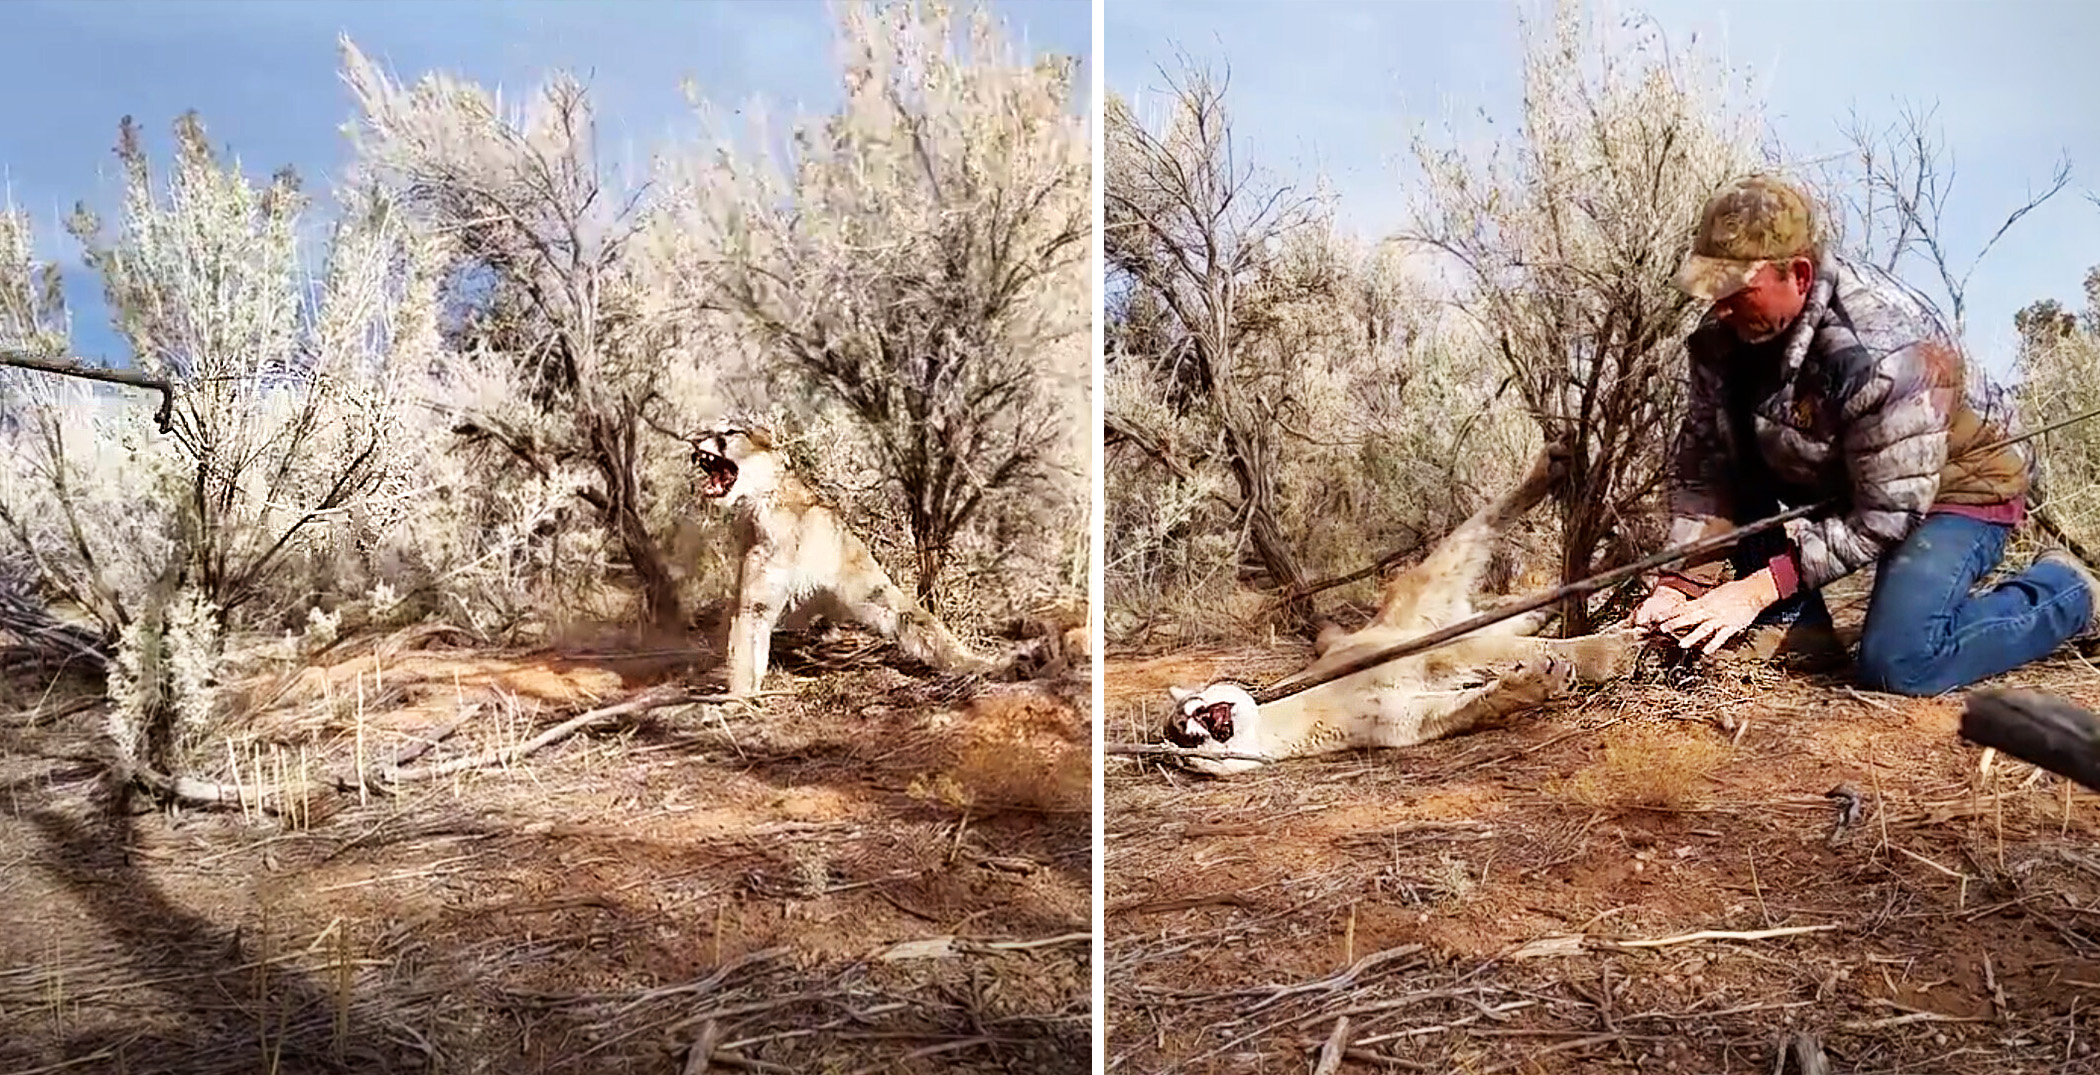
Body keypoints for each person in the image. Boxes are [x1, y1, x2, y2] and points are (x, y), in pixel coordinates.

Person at [1630, 173, 2098, 696]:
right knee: (1733, 449)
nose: (1719, 307)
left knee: (1899, 663)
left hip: (1955, 488)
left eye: (1737, 290)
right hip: (1847, 479)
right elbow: (1706, 466)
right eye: (1711, 288)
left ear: (1800, 275)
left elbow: (1888, 513)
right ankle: (1802, 626)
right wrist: (1680, 581)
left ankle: (2068, 594)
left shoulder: (1883, 350)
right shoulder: (1725, 341)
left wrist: (1755, 590)